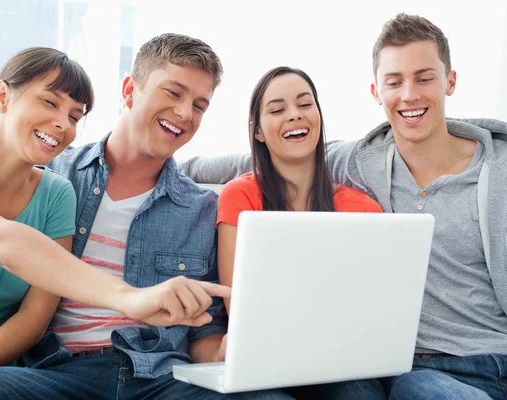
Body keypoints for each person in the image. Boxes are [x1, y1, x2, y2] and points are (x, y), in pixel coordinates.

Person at [0, 34, 290, 399]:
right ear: (129, 90)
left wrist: (227, 353)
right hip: (58, 371)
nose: (185, 113)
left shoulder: (200, 209)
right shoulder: (55, 171)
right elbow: (4, 241)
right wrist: (131, 298)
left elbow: (208, 329)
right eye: (173, 93)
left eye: (200, 106)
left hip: (160, 376)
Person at [180, 12, 507, 400]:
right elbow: (260, 159)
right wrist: (171, 166)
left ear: (449, 81)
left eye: (424, 78)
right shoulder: (362, 160)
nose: (409, 95)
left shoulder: (495, 172)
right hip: (416, 367)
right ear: (376, 92)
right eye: (394, 82)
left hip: (492, 351)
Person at [215, 66, 384, 399]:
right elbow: (238, 303)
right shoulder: (240, 195)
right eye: (277, 110)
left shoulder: (363, 208)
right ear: (258, 131)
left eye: (305, 105)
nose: (294, 115)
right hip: (264, 359)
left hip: (340, 362)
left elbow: (371, 311)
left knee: (361, 394)